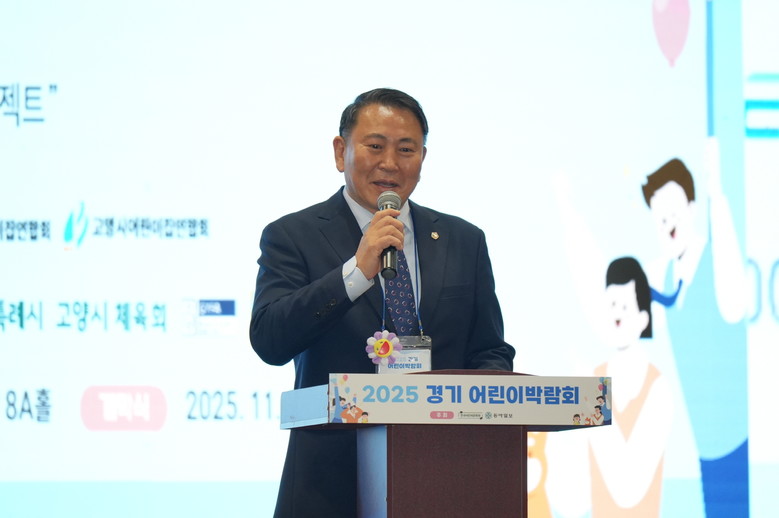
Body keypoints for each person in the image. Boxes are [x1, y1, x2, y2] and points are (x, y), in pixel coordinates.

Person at [249, 88, 515, 517]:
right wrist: (356, 272)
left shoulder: (464, 240)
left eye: (406, 149)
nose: (390, 163)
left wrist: (479, 416)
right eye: (375, 146)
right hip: (327, 487)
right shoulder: (292, 235)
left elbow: (489, 350)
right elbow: (269, 339)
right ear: (341, 152)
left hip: (445, 478)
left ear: (423, 158)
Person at [642, 153, 749, 517]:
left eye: (673, 212)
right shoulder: (663, 277)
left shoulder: (718, 265)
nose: (668, 224)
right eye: (660, 218)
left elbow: (735, 299)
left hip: (736, 446)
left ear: (692, 206)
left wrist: (717, 193)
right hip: (699, 448)